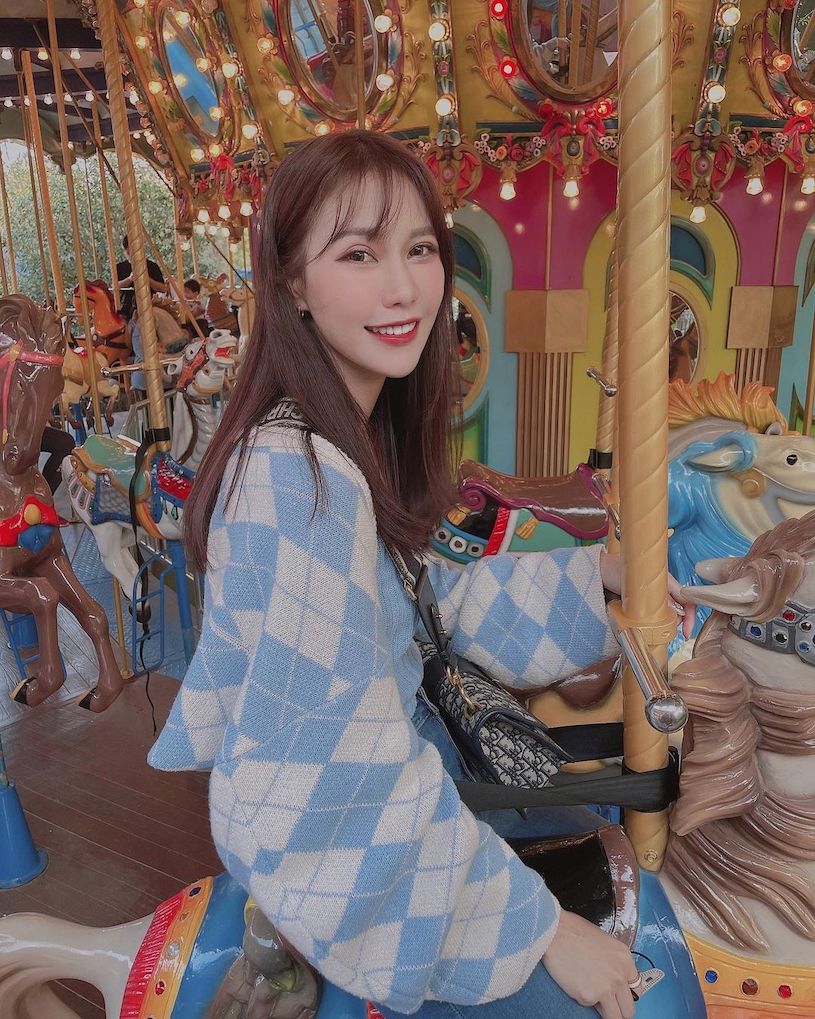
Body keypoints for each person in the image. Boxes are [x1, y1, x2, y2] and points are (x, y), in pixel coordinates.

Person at [149, 131, 692, 1019]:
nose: (402, 287)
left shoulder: (346, 443)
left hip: (397, 779)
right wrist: (539, 928)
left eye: (419, 249)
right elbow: (339, 758)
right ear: (291, 283)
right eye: (358, 254)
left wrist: (596, 576)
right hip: (346, 831)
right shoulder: (296, 478)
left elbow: (431, 605)